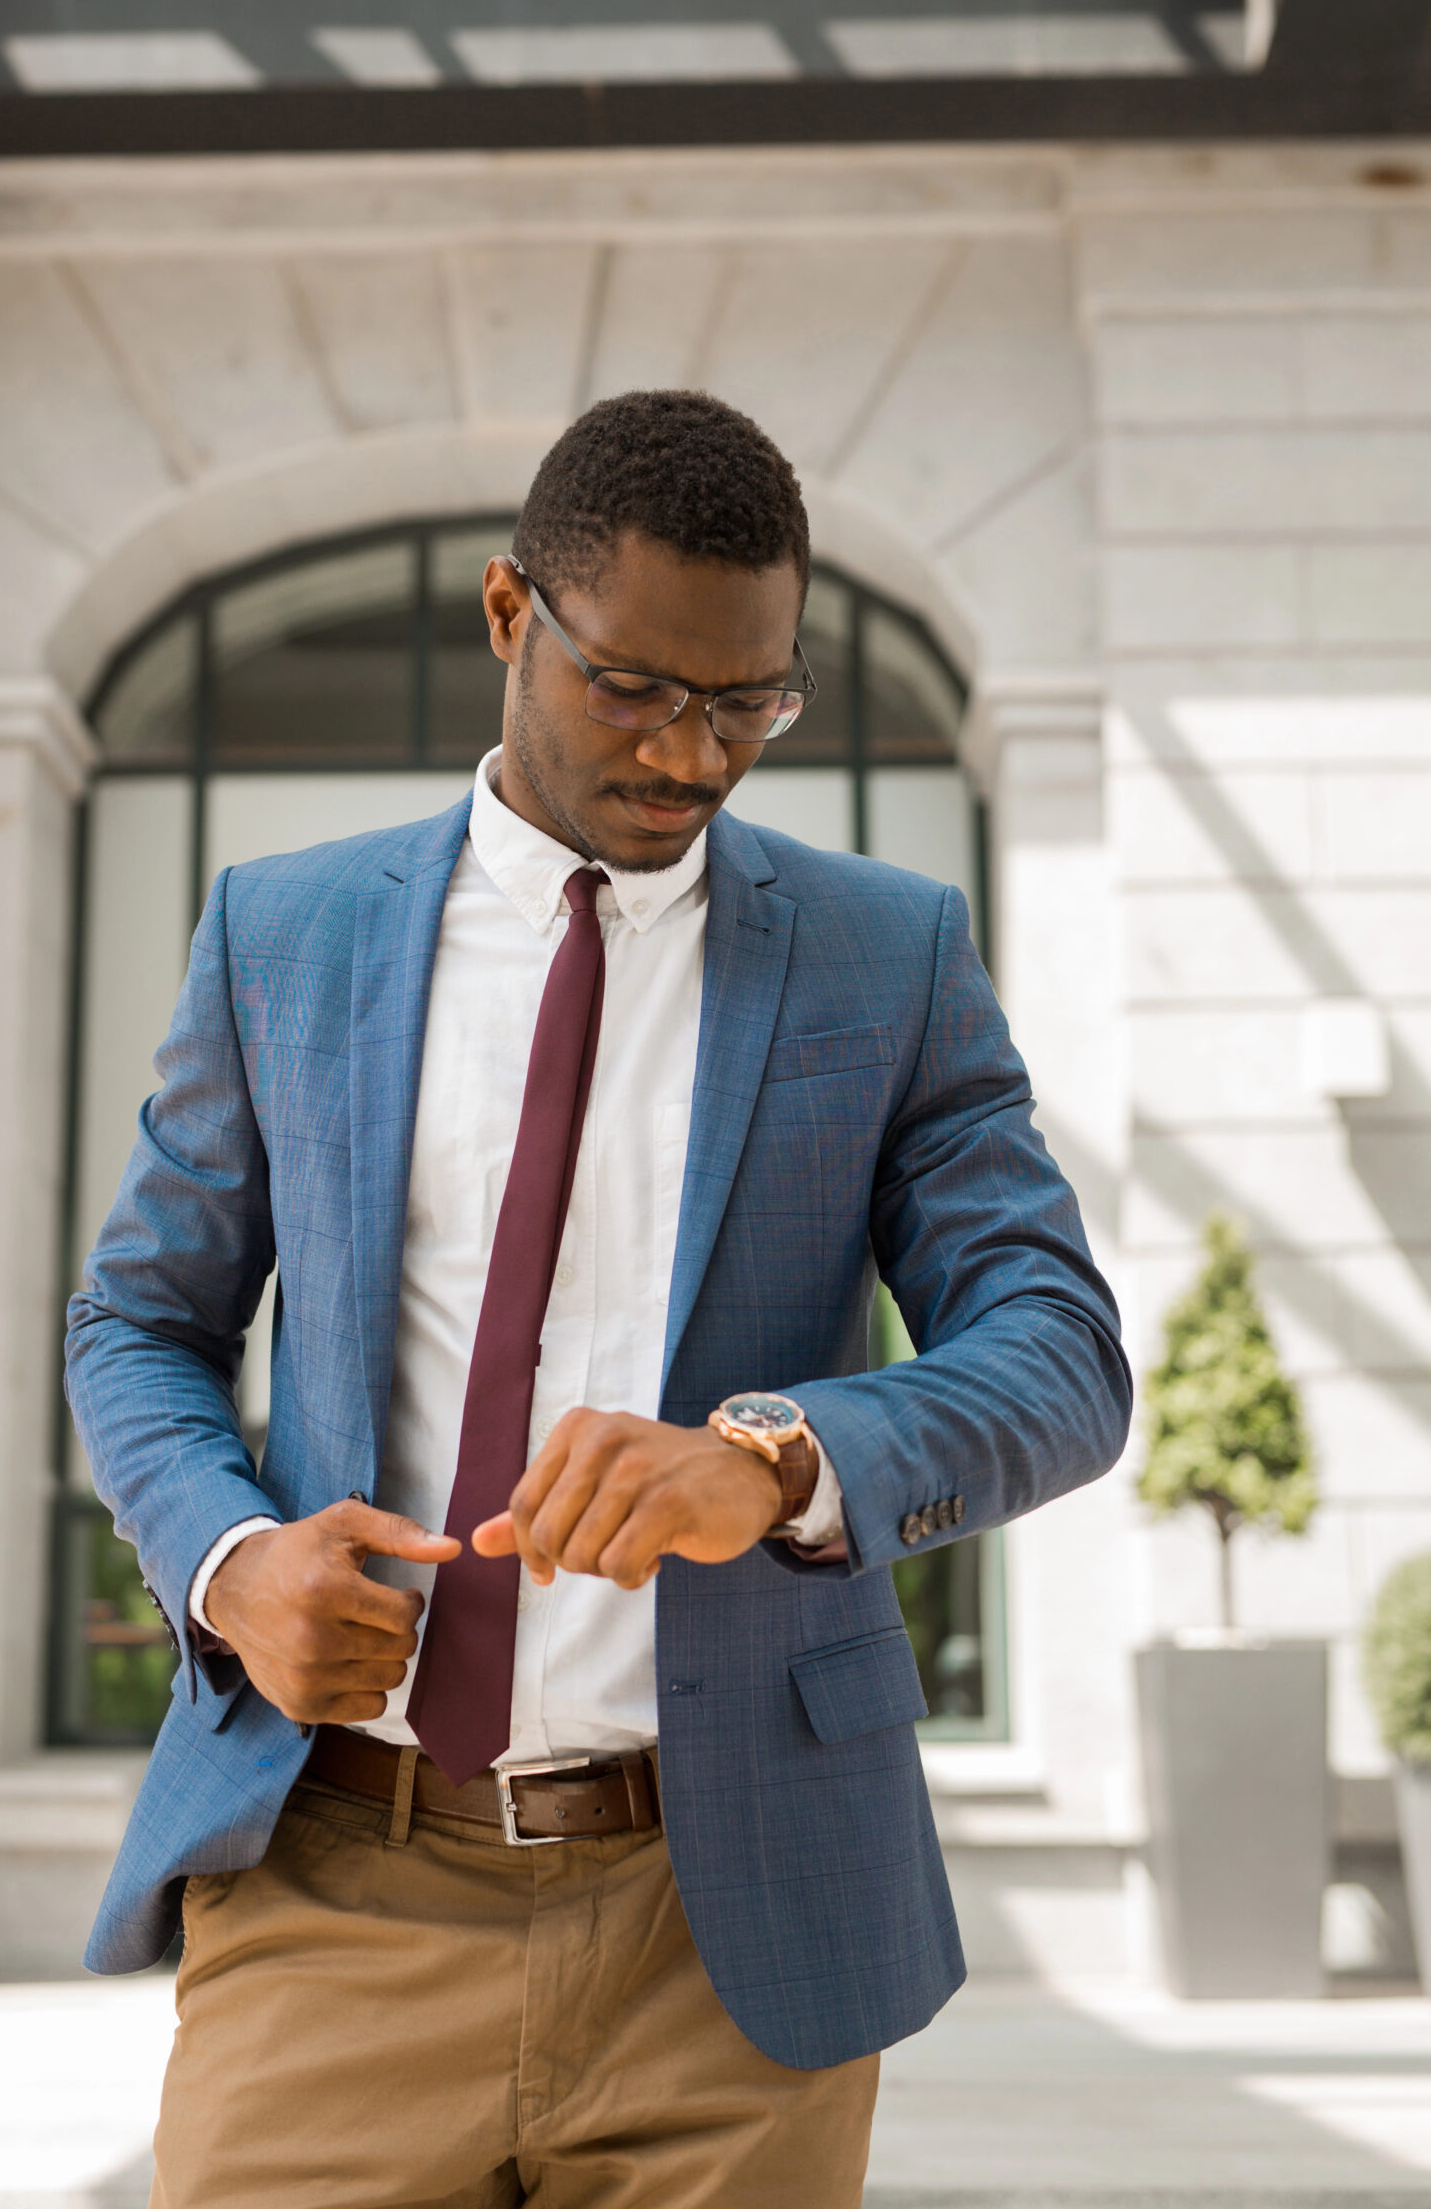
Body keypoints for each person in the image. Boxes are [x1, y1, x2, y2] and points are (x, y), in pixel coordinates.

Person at [67, 388, 1129, 2209]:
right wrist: (235, 1568)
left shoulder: (889, 953)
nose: (693, 757)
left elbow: (1057, 1353)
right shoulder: (283, 933)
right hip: (336, 1882)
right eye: (633, 688)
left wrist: (784, 1462)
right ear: (509, 617)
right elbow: (139, 1323)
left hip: (731, 1929)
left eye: (750, 704)